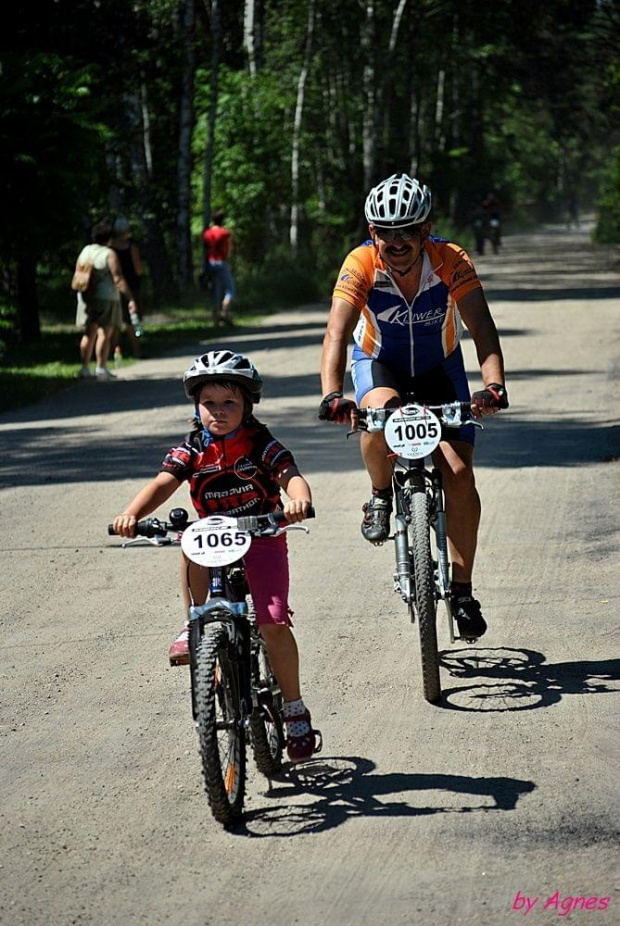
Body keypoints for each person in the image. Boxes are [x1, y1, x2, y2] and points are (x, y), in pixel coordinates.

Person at [318, 173, 509, 641]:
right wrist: (331, 393)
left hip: (439, 370)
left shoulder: (450, 259)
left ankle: (462, 590)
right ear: (371, 231)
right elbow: (337, 334)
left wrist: (493, 385)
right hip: (379, 364)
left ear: (427, 230)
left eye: (408, 230)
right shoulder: (360, 263)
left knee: (460, 475)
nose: (397, 241)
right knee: (377, 416)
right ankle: (381, 494)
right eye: (386, 231)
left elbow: (481, 326)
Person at [112, 349, 320, 762]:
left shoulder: (261, 443)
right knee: (188, 536)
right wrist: (132, 514)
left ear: (247, 406)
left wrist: (299, 500)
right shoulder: (191, 449)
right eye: (209, 403)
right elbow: (162, 484)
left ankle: (294, 709)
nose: (219, 412)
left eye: (230, 403)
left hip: (262, 534)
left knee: (272, 622)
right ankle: (194, 623)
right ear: (196, 406)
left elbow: (290, 477)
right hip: (214, 538)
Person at [74, 220, 138, 380]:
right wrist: (130, 297)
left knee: (89, 332)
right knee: (105, 332)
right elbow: (118, 278)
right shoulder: (109, 254)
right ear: (109, 238)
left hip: (86, 297)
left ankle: (84, 367)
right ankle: (101, 367)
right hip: (107, 297)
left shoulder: (86, 250)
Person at [110, 217, 144, 358]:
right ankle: (136, 350)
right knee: (132, 319)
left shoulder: (110, 248)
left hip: (114, 286)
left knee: (115, 320)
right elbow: (138, 269)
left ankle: (115, 351)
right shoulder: (131, 247)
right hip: (131, 285)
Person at [202, 210, 235, 327]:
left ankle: (215, 320)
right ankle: (225, 313)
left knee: (215, 290)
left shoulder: (207, 234)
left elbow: (205, 251)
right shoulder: (224, 233)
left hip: (211, 262)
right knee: (230, 290)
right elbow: (227, 249)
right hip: (222, 261)